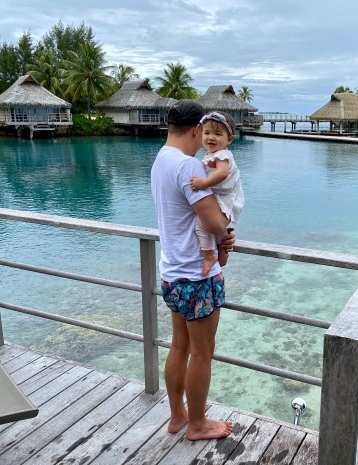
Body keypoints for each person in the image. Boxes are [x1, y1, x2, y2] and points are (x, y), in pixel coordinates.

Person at [150, 100, 234, 441]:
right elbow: (214, 222)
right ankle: (197, 425)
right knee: (202, 353)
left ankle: (177, 415)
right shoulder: (186, 166)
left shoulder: (159, 160)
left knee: (179, 347)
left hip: (171, 273)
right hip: (197, 277)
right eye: (207, 131)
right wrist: (226, 234)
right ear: (198, 129)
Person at [190, 111, 244, 276]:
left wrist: (202, 183)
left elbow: (222, 173)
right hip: (219, 194)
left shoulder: (222, 155)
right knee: (211, 225)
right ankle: (222, 248)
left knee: (201, 225)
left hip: (223, 195)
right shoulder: (210, 154)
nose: (211, 137)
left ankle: (208, 256)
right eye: (206, 133)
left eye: (217, 134)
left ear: (229, 139)